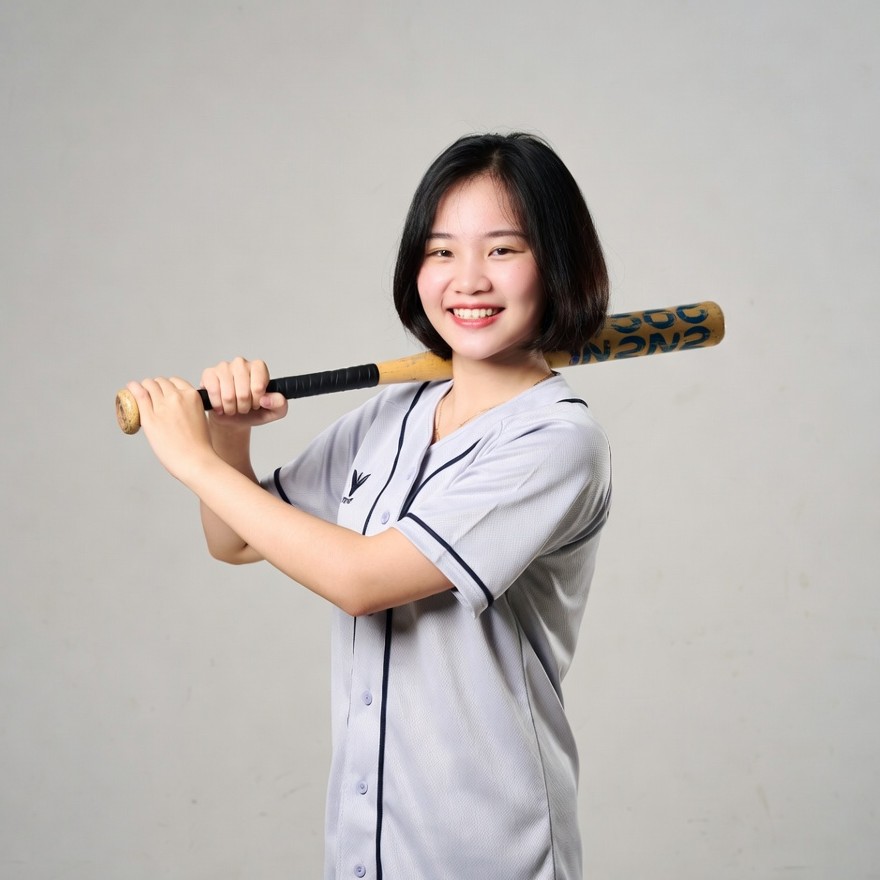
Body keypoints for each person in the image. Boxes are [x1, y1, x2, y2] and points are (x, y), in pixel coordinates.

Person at [127, 132, 612, 880]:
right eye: (442, 252)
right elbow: (235, 539)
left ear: (558, 263)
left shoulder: (556, 442)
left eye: (504, 250)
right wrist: (226, 442)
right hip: (369, 840)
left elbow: (360, 581)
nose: (468, 280)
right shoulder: (395, 414)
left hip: (487, 847)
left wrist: (189, 458)